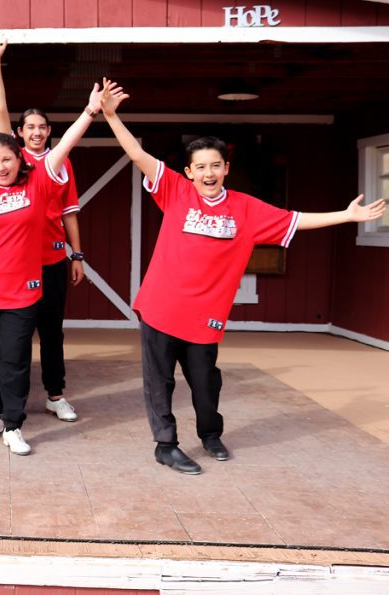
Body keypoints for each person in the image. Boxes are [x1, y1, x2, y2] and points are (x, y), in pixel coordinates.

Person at [100, 85, 386, 474]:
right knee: (160, 381)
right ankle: (165, 445)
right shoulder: (175, 191)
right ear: (189, 172)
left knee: (206, 382)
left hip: (205, 314)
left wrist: (346, 216)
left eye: (215, 165)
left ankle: (210, 434)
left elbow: (296, 220)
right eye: (201, 167)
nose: (209, 173)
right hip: (161, 306)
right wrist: (111, 116)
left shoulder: (246, 209)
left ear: (226, 169)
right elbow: (137, 155)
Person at [0, 82, 109, 456]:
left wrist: (89, 112)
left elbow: (65, 146)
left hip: (22, 293)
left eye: (7, 160)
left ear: (19, 160)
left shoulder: (37, 184)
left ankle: (13, 424)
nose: (1, 167)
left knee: (15, 360)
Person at [0, 26, 85, 423]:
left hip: (52, 260)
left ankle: (55, 394)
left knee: (52, 331)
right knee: (15, 336)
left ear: (50, 131)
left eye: (43, 126)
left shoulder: (60, 163)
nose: (37, 132)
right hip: (15, 263)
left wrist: (77, 255)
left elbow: (69, 211)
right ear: (20, 133)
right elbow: (0, 108)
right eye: (30, 127)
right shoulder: (13, 161)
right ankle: (12, 404)